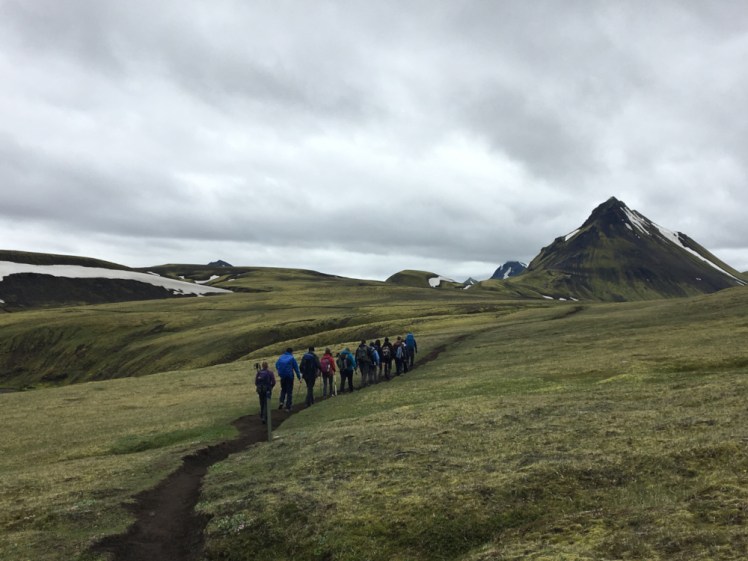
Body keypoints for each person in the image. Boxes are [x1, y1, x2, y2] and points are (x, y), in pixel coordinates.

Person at [275, 348, 301, 412]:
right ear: (291, 352)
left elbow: (276, 365)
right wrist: (299, 377)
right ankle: (288, 407)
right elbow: (296, 368)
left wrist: (279, 371)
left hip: (282, 376)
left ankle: (281, 401)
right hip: (289, 376)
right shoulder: (292, 358)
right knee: (289, 391)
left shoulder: (281, 357)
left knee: (283, 389)